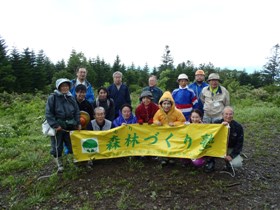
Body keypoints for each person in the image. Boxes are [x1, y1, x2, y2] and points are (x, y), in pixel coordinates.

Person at [45, 78, 81, 172]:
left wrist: (77, 123)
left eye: (67, 86)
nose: (65, 87)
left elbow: (77, 111)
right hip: (58, 126)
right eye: (63, 86)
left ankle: (73, 160)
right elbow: (49, 113)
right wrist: (55, 125)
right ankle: (59, 164)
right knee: (57, 146)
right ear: (59, 87)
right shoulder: (52, 97)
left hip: (70, 125)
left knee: (71, 144)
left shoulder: (71, 97)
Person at [204, 106, 244, 173]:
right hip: (217, 147)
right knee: (208, 147)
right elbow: (208, 136)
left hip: (229, 148)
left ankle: (228, 164)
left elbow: (239, 143)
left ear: (233, 115)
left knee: (237, 164)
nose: (228, 116)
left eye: (230, 114)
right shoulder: (216, 123)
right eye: (226, 114)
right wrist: (220, 127)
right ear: (222, 115)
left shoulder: (238, 127)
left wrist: (232, 155)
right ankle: (210, 162)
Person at [153, 91, 186, 165]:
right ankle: (163, 157)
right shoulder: (158, 112)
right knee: (163, 144)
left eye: (168, 104)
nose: (166, 106)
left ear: (172, 104)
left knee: (172, 144)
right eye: (164, 104)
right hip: (163, 133)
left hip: (174, 133)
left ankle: (172, 157)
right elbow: (155, 119)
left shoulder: (177, 112)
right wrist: (157, 122)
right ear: (161, 104)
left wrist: (174, 124)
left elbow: (182, 121)